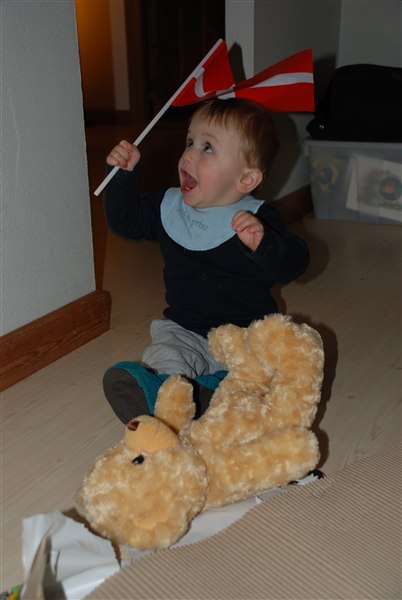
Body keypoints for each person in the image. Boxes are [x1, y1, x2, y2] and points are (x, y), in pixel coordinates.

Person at [102, 98, 309, 423]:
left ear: (246, 179)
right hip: (184, 329)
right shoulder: (170, 206)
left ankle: (209, 394)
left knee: (264, 374)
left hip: (243, 337)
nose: (188, 155)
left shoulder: (257, 220)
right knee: (164, 355)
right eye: (190, 142)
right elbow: (126, 222)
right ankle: (162, 394)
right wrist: (121, 178)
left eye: (207, 148)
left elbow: (295, 264)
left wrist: (264, 243)